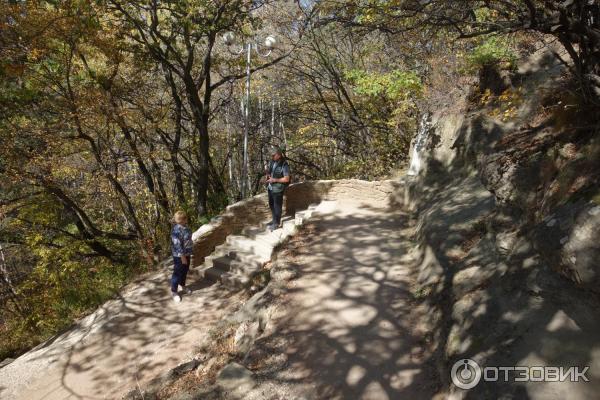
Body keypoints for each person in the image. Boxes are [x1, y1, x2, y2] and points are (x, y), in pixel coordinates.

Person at [265, 146, 290, 231]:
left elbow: (287, 178)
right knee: (271, 205)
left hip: (278, 188)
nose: (272, 156)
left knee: (277, 206)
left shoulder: (284, 164)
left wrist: (275, 179)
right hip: (271, 187)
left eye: (273, 155)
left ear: (279, 155)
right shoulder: (272, 161)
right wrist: (268, 175)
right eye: (271, 155)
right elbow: (270, 171)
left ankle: (276, 223)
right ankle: (274, 220)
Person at [170, 210, 193, 302]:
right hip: (179, 256)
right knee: (177, 273)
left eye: (183, 218)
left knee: (185, 271)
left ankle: (182, 285)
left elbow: (188, 240)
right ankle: (174, 291)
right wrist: (182, 257)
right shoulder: (176, 230)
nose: (183, 220)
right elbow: (177, 244)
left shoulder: (186, 228)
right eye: (179, 219)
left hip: (187, 253)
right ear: (177, 220)